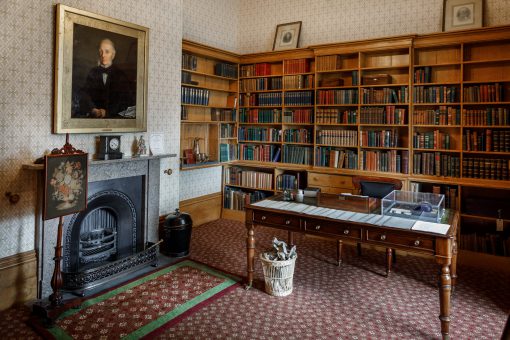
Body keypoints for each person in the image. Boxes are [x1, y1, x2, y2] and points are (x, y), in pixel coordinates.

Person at [78, 38, 135, 118]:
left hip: (114, 119)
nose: (103, 55)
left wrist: (107, 112)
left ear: (113, 54)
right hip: (95, 118)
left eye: (107, 52)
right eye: (101, 51)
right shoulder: (93, 72)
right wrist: (93, 109)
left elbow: (124, 101)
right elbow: (85, 94)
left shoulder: (120, 75)